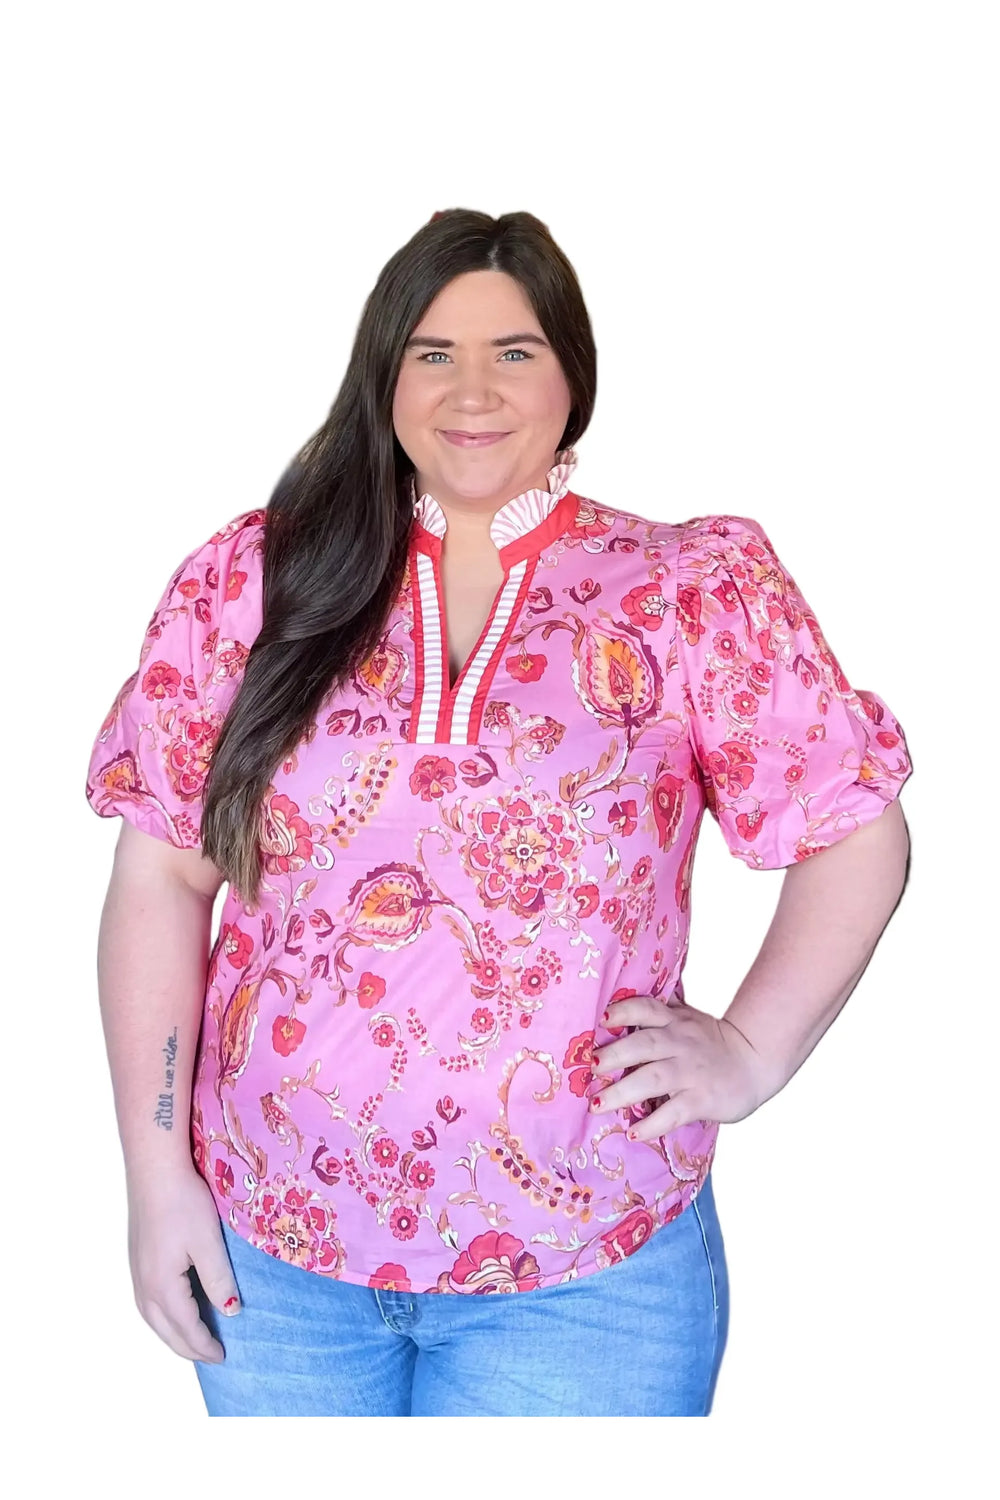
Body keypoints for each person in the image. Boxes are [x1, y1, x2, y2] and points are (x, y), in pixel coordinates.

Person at [85, 207, 913, 1418]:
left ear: (572, 376)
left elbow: (853, 827)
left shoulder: (686, 590)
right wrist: (156, 1177)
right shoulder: (256, 581)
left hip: (586, 1281)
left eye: (513, 351)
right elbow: (161, 876)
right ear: (384, 375)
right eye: (434, 352)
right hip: (270, 1261)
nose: (472, 390)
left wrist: (751, 1051)